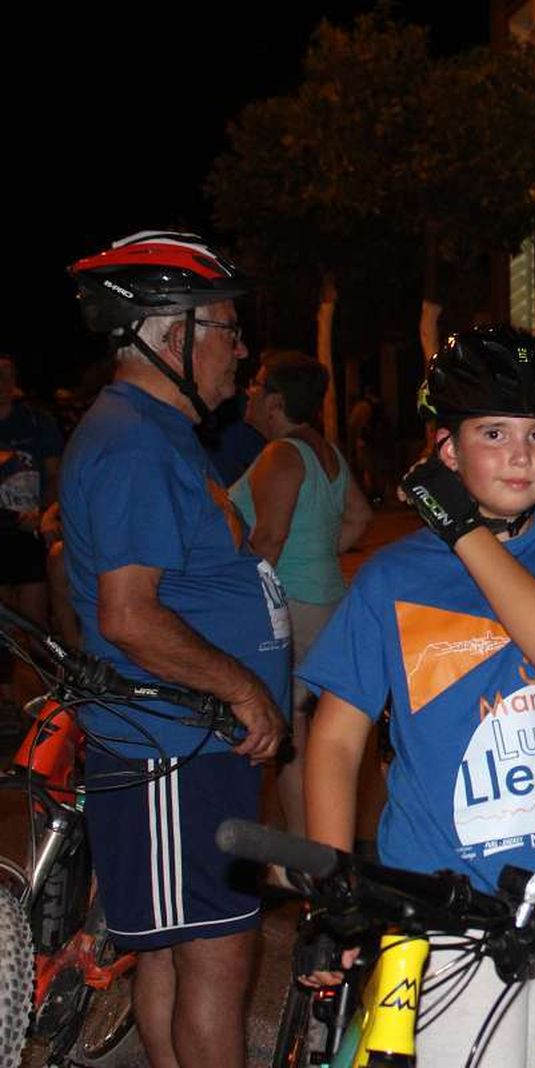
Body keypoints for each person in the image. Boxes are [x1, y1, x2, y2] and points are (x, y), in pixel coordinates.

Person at [298, 325, 535, 1065]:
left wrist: (460, 530)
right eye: (493, 432)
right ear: (445, 451)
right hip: (437, 892)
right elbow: (336, 737)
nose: (520, 453)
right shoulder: (390, 578)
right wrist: (333, 887)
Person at [63, 231, 289, 1068]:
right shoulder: (132, 443)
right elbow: (128, 614)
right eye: (227, 328)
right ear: (172, 336)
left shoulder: (155, 431)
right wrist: (243, 689)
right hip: (172, 744)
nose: (241, 348)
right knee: (215, 958)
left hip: (188, 745)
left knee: (177, 948)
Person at [230, 350, 372, 843]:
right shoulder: (323, 449)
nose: (249, 391)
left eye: (257, 385)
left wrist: (235, 597)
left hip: (291, 609)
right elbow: (358, 518)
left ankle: (303, 859)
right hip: (327, 603)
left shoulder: (282, 454)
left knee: (286, 736)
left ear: (275, 401)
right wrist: (315, 557)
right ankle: (318, 844)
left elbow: (268, 539)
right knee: (309, 732)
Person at [0, 354, 64, 705]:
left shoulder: (37, 424)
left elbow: (55, 475)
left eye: (6, 375)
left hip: (28, 536)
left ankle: (42, 705)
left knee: (33, 625)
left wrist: (44, 513)